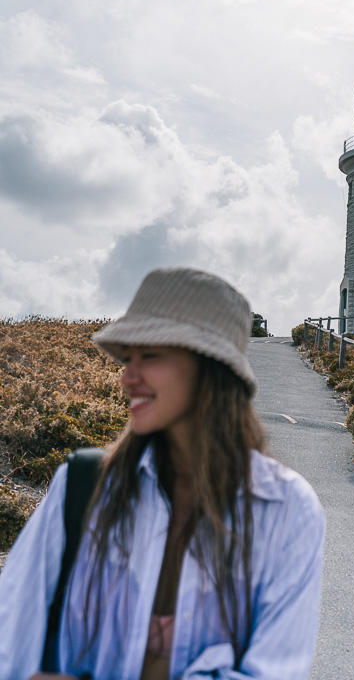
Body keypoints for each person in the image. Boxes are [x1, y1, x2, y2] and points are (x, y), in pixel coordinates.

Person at [0, 268, 325, 680]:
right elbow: (10, 642)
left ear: (211, 368)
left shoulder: (287, 511)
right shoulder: (83, 486)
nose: (126, 377)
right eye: (127, 358)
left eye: (149, 356)